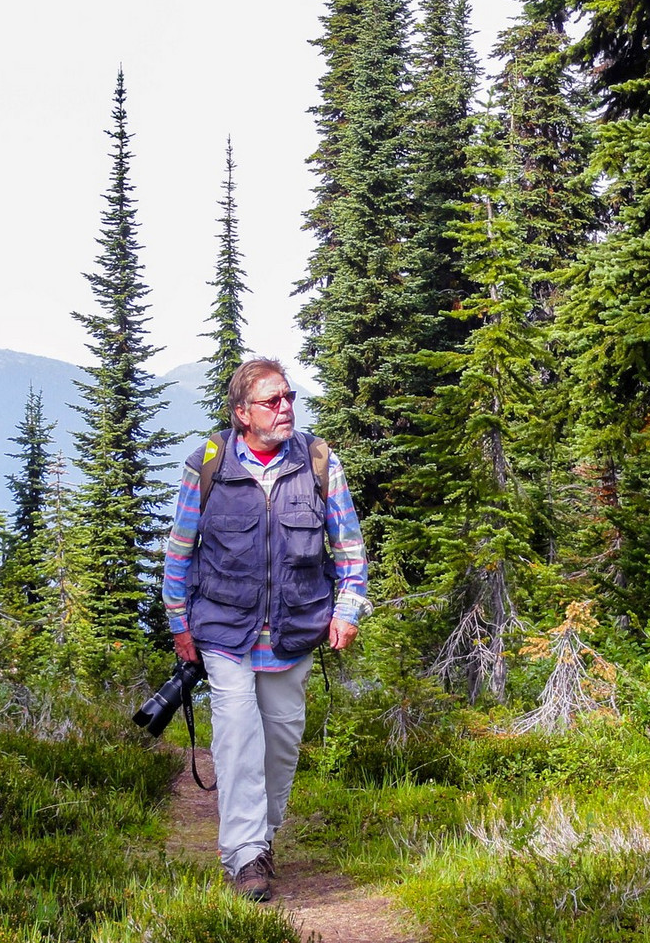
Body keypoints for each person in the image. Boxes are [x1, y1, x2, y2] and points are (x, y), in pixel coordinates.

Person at [161, 357, 369, 901]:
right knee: (236, 741)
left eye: (289, 398)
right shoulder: (207, 465)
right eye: (272, 401)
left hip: (295, 631)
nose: (285, 409)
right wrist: (179, 623)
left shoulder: (319, 462)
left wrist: (346, 611)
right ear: (241, 414)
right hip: (224, 631)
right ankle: (244, 856)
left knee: (279, 743)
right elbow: (181, 549)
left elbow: (348, 549)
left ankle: (264, 836)